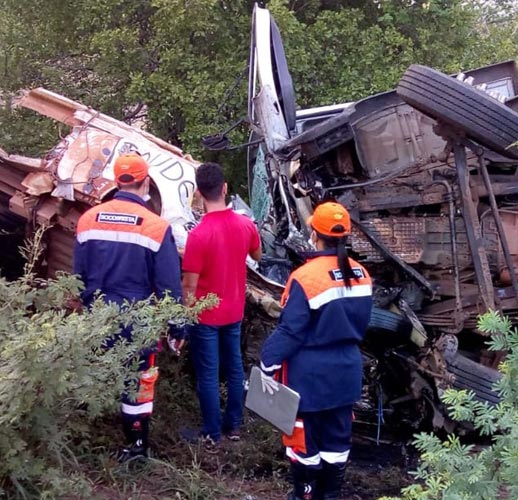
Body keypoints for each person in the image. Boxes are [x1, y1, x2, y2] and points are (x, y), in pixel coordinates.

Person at [259, 202, 373, 500]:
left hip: (309, 376)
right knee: (337, 442)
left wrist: (267, 363)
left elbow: (290, 331)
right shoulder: (362, 274)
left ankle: (304, 494)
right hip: (347, 371)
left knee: (304, 442)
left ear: (315, 234)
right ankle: (331, 494)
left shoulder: (305, 277)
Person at [74, 152, 183, 461]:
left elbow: (77, 278)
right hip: (138, 320)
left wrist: (90, 307)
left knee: (102, 374)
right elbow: (168, 288)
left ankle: (91, 434)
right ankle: (136, 446)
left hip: (98, 316)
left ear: (116, 181)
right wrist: (177, 327)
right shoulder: (156, 227)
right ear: (145, 182)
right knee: (138, 382)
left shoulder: (87, 220)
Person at [181, 162, 262, 444]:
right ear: (225, 188)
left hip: (206, 315)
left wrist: (186, 318)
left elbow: (189, 285)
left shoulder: (198, 236)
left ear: (198, 193)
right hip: (235, 310)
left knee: (208, 375)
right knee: (235, 368)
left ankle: (212, 433)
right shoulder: (246, 225)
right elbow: (258, 254)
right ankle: (235, 426)